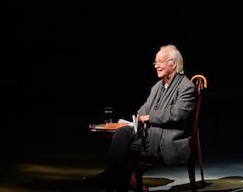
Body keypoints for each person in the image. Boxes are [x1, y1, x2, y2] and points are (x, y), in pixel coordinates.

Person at [83, 44, 197, 191]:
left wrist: (149, 117)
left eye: (160, 62)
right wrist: (141, 116)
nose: (156, 66)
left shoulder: (186, 87)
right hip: (151, 135)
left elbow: (178, 113)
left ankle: (112, 179)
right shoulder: (158, 86)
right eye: (155, 63)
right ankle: (113, 176)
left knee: (128, 149)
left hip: (169, 139)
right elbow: (144, 109)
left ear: (173, 64)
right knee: (123, 133)